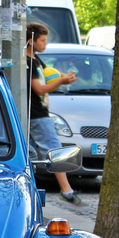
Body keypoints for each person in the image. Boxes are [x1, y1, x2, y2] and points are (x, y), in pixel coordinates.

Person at [26, 22, 82, 205]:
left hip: (36, 113)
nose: (46, 44)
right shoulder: (28, 62)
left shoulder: (36, 60)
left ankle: (31, 189)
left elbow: (52, 74)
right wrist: (61, 82)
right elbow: (39, 89)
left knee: (31, 153)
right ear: (31, 41)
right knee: (54, 149)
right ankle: (66, 190)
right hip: (36, 114)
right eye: (43, 40)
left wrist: (65, 77)